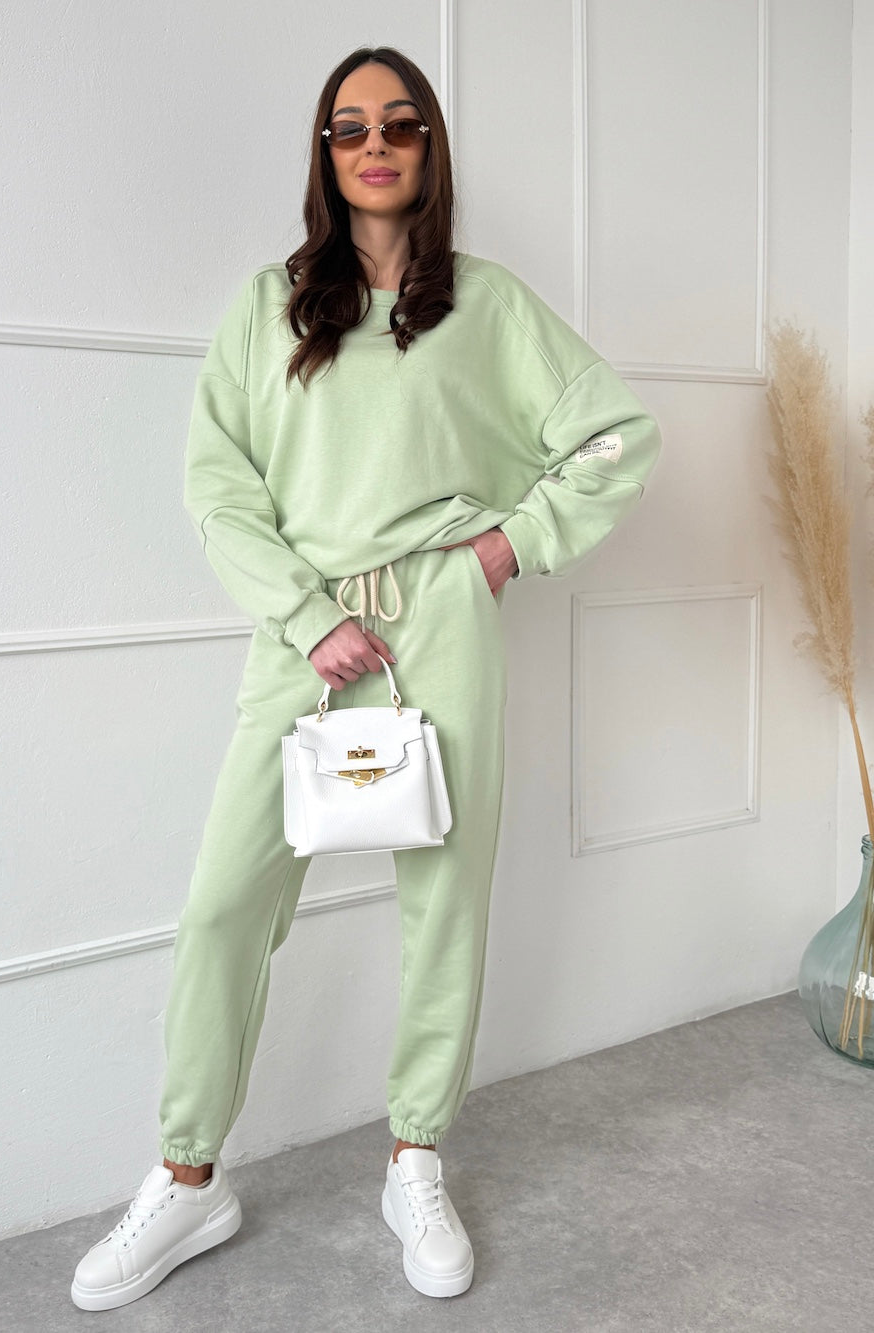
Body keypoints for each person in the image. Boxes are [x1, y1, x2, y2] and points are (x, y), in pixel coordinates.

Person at [71, 45, 661, 1311]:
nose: (375, 144)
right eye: (350, 128)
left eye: (399, 124)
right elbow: (219, 485)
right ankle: (187, 1174)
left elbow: (616, 433)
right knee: (225, 903)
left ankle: (415, 1157)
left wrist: (506, 548)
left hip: (440, 621)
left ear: (429, 147)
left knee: (444, 900)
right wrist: (304, 615)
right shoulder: (270, 306)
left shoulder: (487, 306)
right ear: (326, 153)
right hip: (307, 635)